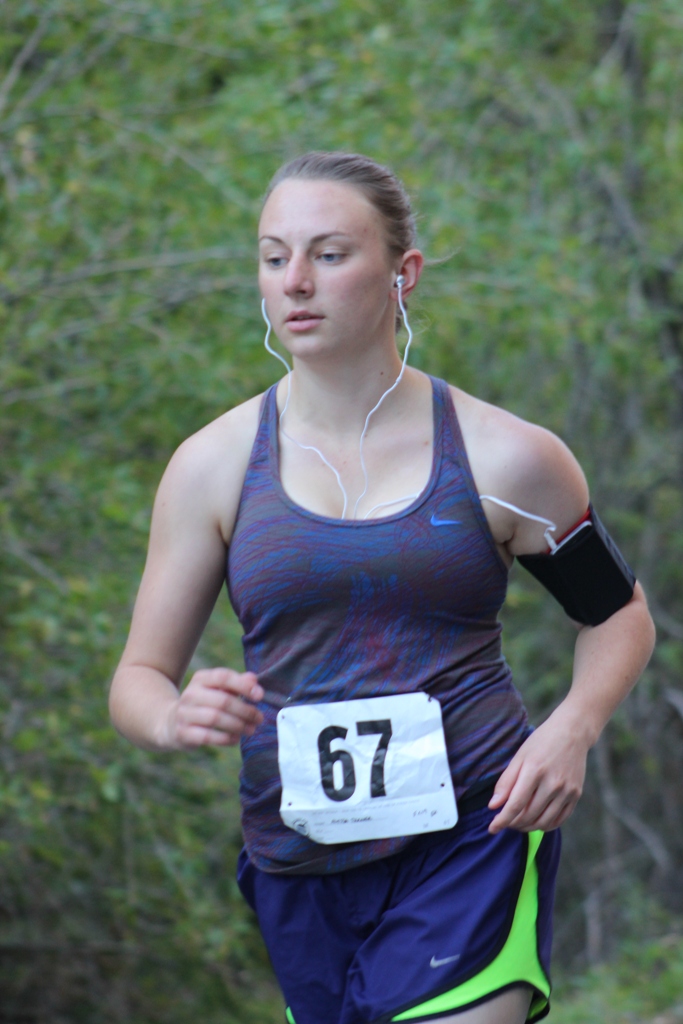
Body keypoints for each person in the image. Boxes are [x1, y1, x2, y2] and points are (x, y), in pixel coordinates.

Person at [109, 151, 656, 1024]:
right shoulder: (211, 467)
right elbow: (137, 679)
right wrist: (172, 717)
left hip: (473, 835)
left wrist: (571, 730)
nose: (295, 282)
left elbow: (618, 615)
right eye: (273, 255)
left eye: (328, 254)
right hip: (298, 859)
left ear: (403, 273)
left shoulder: (504, 456)